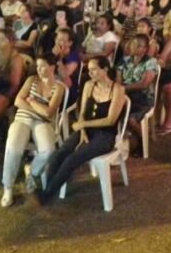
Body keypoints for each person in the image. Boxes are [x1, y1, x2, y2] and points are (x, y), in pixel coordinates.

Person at [35, 56, 126, 205]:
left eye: (94, 70)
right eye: (89, 70)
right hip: (87, 129)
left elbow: (111, 120)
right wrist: (83, 129)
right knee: (61, 152)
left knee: (73, 159)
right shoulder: (89, 85)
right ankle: (49, 188)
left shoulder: (117, 89)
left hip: (105, 136)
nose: (90, 73)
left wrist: (83, 124)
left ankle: (47, 195)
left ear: (105, 69)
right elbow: (82, 112)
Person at [0, 53, 66, 207]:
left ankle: (32, 173)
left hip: (43, 122)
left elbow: (50, 112)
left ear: (52, 66)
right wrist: (39, 107)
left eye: (43, 66)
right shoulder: (31, 80)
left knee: (48, 150)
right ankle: (8, 187)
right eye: (37, 66)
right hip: (23, 118)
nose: (39, 69)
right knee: (13, 148)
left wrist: (30, 101)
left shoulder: (59, 87)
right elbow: (17, 101)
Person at [116, 34, 159, 156]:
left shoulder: (150, 62)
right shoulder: (124, 60)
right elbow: (118, 80)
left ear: (146, 49)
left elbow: (144, 84)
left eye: (140, 46)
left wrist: (124, 88)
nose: (136, 48)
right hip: (125, 96)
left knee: (131, 120)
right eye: (134, 44)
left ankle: (141, 141)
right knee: (110, 111)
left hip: (143, 98)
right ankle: (114, 142)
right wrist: (120, 90)